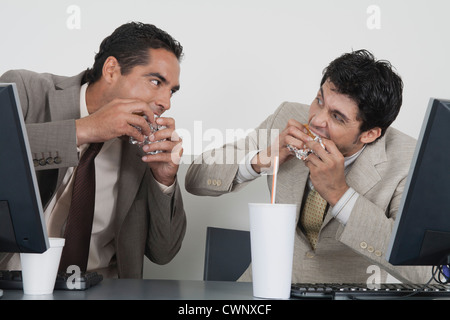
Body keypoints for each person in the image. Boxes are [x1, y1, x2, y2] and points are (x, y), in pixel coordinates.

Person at [185, 50, 431, 284]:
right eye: (319, 100)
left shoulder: (408, 159)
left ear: (369, 134)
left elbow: (422, 270)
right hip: (261, 291)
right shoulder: (287, 117)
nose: (316, 120)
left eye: (337, 117)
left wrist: (340, 195)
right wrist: (262, 159)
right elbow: (196, 177)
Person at [0, 22, 186, 279]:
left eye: (171, 92)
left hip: (101, 288)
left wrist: (164, 181)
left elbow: (163, 253)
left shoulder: (146, 147)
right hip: (12, 282)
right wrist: (84, 129)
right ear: (111, 70)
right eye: (156, 82)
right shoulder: (25, 91)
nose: (165, 102)